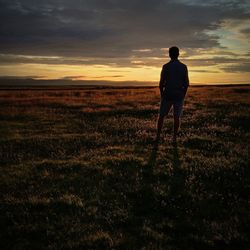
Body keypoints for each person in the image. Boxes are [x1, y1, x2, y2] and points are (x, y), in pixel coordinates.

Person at [156, 46, 189, 141]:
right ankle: (174, 137)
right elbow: (186, 84)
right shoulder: (183, 67)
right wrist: (183, 95)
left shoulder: (166, 67)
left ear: (169, 54)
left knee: (161, 116)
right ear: (178, 54)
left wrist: (162, 95)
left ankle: (158, 136)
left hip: (167, 94)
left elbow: (161, 83)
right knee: (176, 117)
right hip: (179, 95)